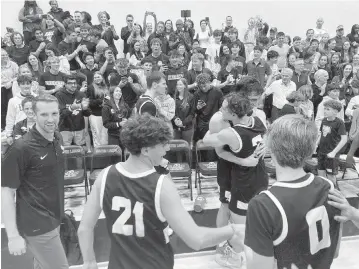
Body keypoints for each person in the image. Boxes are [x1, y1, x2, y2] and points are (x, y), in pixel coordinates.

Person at [77, 114, 244, 269]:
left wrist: (90, 261)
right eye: (162, 145)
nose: (166, 150)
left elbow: (84, 228)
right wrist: (234, 230)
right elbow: (196, 239)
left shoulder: (104, 176)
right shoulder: (161, 185)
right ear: (145, 150)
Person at [244, 114, 341, 269]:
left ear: (271, 149)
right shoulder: (329, 186)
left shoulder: (263, 204)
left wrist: (246, 249)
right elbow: (334, 252)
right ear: (311, 151)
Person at [2, 94, 69, 269]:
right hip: (37, 223)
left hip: (54, 217)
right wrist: (13, 236)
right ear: (33, 115)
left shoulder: (57, 138)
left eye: (54, 114)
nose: (51, 119)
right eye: (44, 115)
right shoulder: (21, 148)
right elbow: (6, 192)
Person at [203, 93, 268, 267]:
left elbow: (206, 140)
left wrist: (243, 159)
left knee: (240, 224)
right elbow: (266, 133)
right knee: (227, 206)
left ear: (233, 113)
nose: (220, 109)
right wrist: (265, 144)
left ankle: (236, 254)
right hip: (258, 175)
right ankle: (224, 243)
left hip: (243, 179)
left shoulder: (229, 132)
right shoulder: (258, 120)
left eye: (224, 107)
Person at [316, 99, 347, 185]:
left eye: (328, 109)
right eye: (325, 109)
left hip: (332, 153)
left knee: (331, 176)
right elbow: (322, 134)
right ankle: (323, 193)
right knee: (321, 174)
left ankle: (334, 193)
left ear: (335, 112)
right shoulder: (324, 120)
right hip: (321, 151)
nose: (325, 111)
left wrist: (334, 152)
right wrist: (316, 144)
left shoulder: (339, 123)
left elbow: (344, 139)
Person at [55, 75, 91, 147]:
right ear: (65, 84)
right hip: (65, 128)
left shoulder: (81, 94)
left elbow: (88, 113)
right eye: (70, 83)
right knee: (65, 152)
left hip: (79, 128)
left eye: (74, 83)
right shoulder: (59, 95)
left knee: (80, 152)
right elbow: (61, 114)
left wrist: (85, 108)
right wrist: (71, 108)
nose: (73, 85)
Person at [5, 75, 35, 145]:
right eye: (23, 84)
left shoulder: (37, 98)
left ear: (31, 84)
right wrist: (8, 135)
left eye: (28, 84)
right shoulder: (13, 101)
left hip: (34, 130)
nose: (26, 86)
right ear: (19, 85)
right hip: (19, 130)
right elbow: (10, 118)